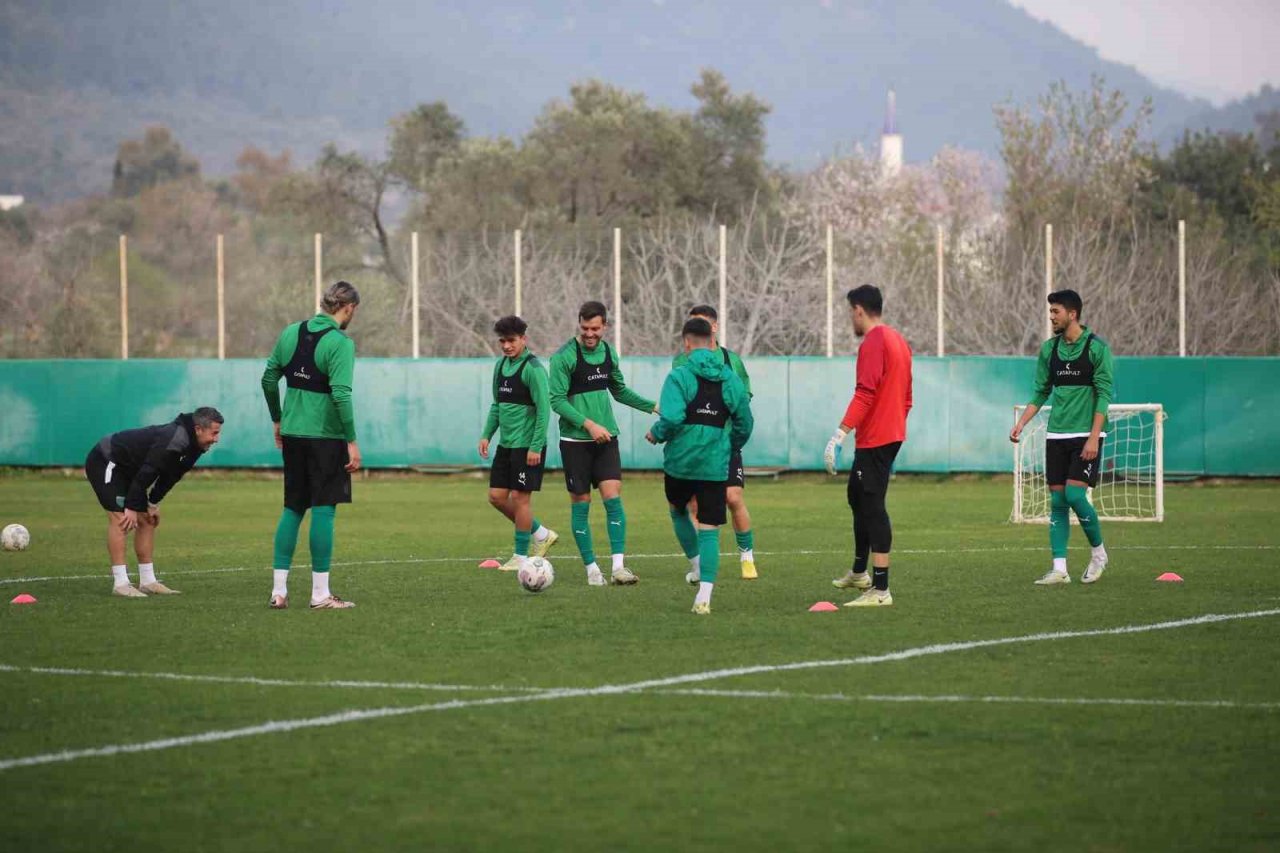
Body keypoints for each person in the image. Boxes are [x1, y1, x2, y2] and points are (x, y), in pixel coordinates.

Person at [261, 280, 362, 610]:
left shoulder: (291, 332)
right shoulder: (340, 343)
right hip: (325, 437)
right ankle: (320, 594)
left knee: (292, 508)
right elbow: (342, 394)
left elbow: (268, 378)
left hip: (293, 434)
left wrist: (278, 418)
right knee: (323, 510)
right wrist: (351, 440)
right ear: (348, 309)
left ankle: (279, 591)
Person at [548, 300, 658, 586]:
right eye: (585, 328)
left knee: (613, 497)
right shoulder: (564, 357)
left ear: (604, 327)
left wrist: (653, 406)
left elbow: (619, 390)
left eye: (595, 328)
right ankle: (592, 569)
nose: (589, 334)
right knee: (581, 502)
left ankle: (619, 567)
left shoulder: (609, 352)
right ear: (579, 324)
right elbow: (557, 401)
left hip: (606, 439)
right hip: (575, 441)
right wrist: (589, 424)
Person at [648, 318, 753, 614]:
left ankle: (695, 565)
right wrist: (729, 446)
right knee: (709, 527)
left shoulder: (678, 376)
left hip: (680, 463)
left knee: (678, 510)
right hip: (714, 465)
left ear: (686, 343)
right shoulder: (730, 378)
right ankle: (704, 595)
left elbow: (671, 418)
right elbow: (745, 423)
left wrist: (656, 433)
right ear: (712, 341)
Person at [1009, 289, 1114, 585]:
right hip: (1056, 436)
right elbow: (1041, 391)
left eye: (1056, 311)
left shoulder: (1097, 349)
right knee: (1057, 501)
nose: (1051, 316)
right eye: (1051, 311)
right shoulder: (1048, 350)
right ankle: (1060, 569)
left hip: (1085, 435)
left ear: (1073, 314)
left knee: (1075, 495)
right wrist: (1022, 424)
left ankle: (1099, 554)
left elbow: (1104, 395)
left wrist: (1094, 437)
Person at [825, 284, 913, 607]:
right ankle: (860, 572)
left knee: (873, 505)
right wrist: (894, 424)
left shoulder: (874, 341)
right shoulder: (899, 341)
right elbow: (907, 398)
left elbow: (865, 392)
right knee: (857, 495)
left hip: (878, 437)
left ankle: (881, 589)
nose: (851, 318)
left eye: (851, 311)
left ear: (859, 309)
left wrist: (840, 435)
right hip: (888, 434)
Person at [84, 408, 224, 597]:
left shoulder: (197, 445)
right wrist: (132, 507)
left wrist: (152, 503)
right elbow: (150, 470)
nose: (217, 439)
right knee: (121, 520)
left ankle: (148, 581)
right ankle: (120, 583)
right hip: (107, 459)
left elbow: (173, 475)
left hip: (134, 470)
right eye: (214, 433)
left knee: (148, 520)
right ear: (198, 429)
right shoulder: (174, 438)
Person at [671, 305, 759, 580]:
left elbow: (742, 401)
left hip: (724, 443)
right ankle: (700, 566)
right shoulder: (681, 363)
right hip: (694, 447)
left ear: (715, 328)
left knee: (733, 497)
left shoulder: (731, 361)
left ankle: (747, 556)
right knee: (694, 506)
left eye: (704, 324)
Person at [479, 315, 559, 572]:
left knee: (520, 499)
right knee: (496, 497)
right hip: (506, 445)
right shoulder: (500, 367)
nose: (506, 346)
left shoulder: (533, 369)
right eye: (502, 341)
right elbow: (497, 405)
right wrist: (487, 434)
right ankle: (541, 533)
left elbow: (544, 410)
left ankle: (520, 557)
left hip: (528, 446)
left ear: (523, 339)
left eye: (511, 341)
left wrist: (536, 446)